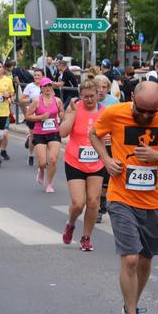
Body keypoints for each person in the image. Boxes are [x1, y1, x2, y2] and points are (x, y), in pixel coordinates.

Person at [89, 81, 158, 314]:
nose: (144, 117)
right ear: (131, 97)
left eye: (150, 112)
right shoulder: (114, 113)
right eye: (140, 110)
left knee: (145, 259)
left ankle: (130, 302)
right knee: (130, 258)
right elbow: (94, 134)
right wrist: (107, 160)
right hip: (121, 197)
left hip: (154, 200)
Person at [60, 78, 107, 251]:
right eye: (85, 96)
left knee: (94, 202)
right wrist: (71, 115)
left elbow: (112, 134)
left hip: (97, 161)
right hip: (75, 161)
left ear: (97, 95)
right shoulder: (74, 108)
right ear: (80, 95)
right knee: (79, 203)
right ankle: (71, 223)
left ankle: (86, 237)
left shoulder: (105, 112)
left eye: (92, 96)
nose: (89, 100)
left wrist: (109, 138)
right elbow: (62, 133)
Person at [26, 77, 64, 193]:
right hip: (40, 133)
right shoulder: (37, 101)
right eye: (45, 86)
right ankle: (41, 170)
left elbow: (61, 111)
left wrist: (61, 116)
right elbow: (28, 116)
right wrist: (41, 117)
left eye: (49, 86)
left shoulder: (57, 100)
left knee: (53, 159)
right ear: (41, 88)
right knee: (42, 162)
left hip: (54, 132)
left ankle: (49, 184)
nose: (48, 88)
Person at [94, 73, 120, 222]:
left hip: (109, 144)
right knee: (95, 177)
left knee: (106, 177)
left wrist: (113, 134)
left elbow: (119, 122)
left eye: (104, 87)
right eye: (99, 87)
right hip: (92, 144)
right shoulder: (89, 101)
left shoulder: (114, 101)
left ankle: (103, 198)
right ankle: (97, 208)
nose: (101, 90)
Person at [21, 68, 44, 166]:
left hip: (43, 115)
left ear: (43, 76)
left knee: (44, 137)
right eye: (35, 75)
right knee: (34, 137)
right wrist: (31, 100)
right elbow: (21, 100)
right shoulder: (30, 86)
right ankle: (31, 155)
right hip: (33, 115)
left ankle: (43, 158)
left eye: (39, 75)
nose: (37, 77)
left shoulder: (46, 86)